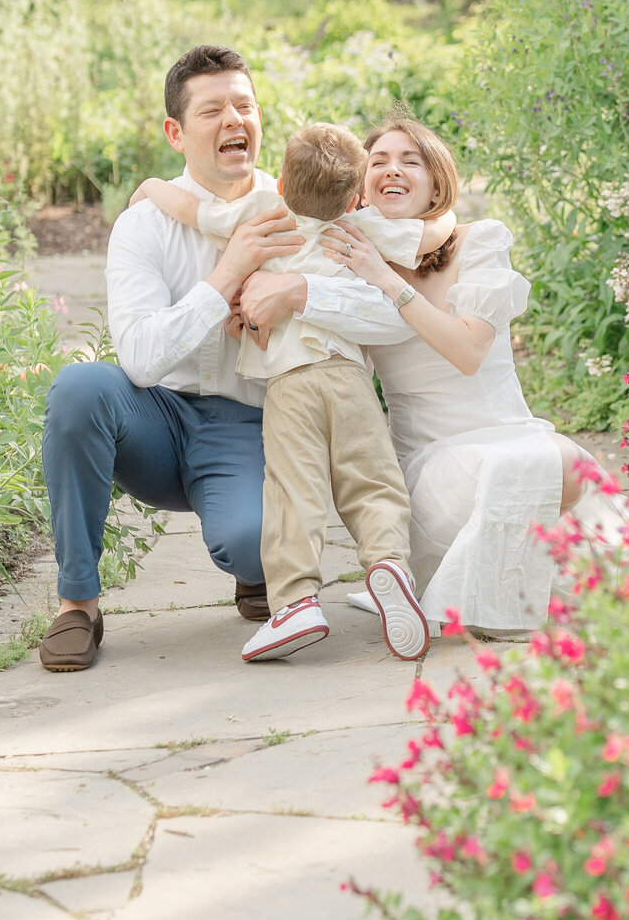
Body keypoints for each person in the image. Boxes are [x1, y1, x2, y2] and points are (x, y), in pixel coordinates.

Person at [37, 46, 417, 673]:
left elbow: (384, 310)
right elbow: (137, 360)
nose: (233, 119)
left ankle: (256, 572)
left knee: (256, 546)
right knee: (80, 389)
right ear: (176, 132)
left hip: (249, 425)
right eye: (212, 110)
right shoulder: (145, 223)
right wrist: (227, 278)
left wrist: (298, 293)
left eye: (244, 105)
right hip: (154, 419)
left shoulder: (295, 205)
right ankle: (78, 603)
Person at [129, 121, 458, 664]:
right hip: (348, 376)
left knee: (293, 491)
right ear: (354, 195)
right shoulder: (362, 227)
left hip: (289, 383)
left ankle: (296, 603)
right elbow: (430, 235)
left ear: (280, 183)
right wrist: (446, 211)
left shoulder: (262, 215)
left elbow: (194, 211)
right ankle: (390, 565)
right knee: (372, 481)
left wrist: (149, 188)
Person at [332, 115, 596, 637]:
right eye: (378, 161)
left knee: (569, 471)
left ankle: (462, 594)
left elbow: (470, 351)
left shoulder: (479, 241)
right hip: (429, 465)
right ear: (360, 187)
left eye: (411, 160)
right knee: (548, 472)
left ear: (437, 180)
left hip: (507, 436)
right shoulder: (352, 260)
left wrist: (388, 281)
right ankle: (492, 612)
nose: (393, 169)